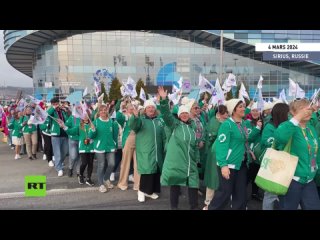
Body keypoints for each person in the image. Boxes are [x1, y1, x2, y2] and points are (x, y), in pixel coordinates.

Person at [208, 99, 261, 210]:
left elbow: (243, 140)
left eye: (244, 106)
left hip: (241, 164)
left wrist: (249, 150)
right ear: (233, 109)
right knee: (225, 194)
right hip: (228, 165)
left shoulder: (242, 124)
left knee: (241, 195)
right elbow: (221, 146)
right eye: (241, 107)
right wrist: (223, 165)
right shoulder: (227, 125)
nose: (244, 109)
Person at [159, 86, 200, 209]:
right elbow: (166, 115)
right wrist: (164, 100)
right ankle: (174, 207)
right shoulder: (175, 125)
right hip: (177, 162)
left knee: (193, 184)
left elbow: (195, 145)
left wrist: (197, 159)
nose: (184, 115)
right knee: (175, 184)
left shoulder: (192, 127)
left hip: (190, 162)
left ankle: (194, 206)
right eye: (182, 113)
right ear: (178, 115)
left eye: (186, 113)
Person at [274, 99, 320, 210]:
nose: (307, 111)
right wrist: (297, 118)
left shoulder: (311, 128)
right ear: (293, 112)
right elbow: (280, 137)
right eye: (302, 109)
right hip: (291, 180)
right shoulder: (288, 126)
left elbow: (315, 152)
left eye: (308, 108)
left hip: (309, 180)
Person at [129, 98, 165, 202]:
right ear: (145, 109)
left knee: (155, 172)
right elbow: (133, 125)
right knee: (147, 172)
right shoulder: (141, 120)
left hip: (157, 151)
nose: (151, 109)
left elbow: (163, 135)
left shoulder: (159, 120)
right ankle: (141, 190)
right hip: (146, 151)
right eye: (149, 107)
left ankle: (149, 192)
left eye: (153, 107)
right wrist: (135, 117)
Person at [260, 103, 289, 210]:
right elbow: (266, 141)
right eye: (288, 112)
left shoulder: (287, 125)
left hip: (285, 162)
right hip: (274, 162)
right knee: (270, 193)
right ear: (282, 114)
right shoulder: (270, 125)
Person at [88, 104, 119, 193]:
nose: (103, 111)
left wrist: (115, 145)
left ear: (107, 111)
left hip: (110, 146)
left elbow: (115, 135)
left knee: (112, 164)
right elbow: (91, 136)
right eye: (101, 110)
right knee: (101, 165)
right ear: (99, 112)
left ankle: (106, 179)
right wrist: (93, 130)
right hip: (99, 147)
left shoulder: (112, 122)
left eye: (105, 110)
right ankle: (101, 184)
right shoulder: (95, 122)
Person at [203, 105, 228, 210]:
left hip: (222, 154)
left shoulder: (225, 122)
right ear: (219, 114)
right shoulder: (214, 122)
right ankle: (208, 202)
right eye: (225, 112)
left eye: (227, 112)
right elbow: (211, 139)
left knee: (220, 179)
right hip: (215, 154)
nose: (227, 114)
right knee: (213, 179)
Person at [47, 97, 70, 176]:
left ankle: (59, 162)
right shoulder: (51, 111)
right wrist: (53, 107)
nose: (56, 105)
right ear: (52, 104)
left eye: (57, 103)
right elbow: (48, 113)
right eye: (54, 104)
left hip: (64, 133)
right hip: (55, 134)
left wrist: (66, 110)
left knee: (65, 151)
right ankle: (59, 168)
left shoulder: (62, 110)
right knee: (57, 153)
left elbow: (67, 119)